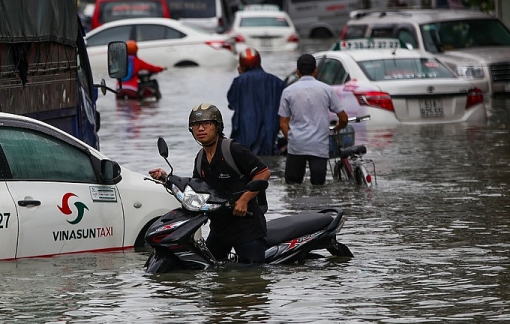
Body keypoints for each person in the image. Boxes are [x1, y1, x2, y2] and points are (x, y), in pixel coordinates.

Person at [148, 103, 270, 264]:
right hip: (220, 228)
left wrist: (244, 199)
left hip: (247, 227)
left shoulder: (233, 150)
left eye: (206, 123)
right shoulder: (200, 159)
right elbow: (196, 188)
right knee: (209, 270)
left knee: (252, 278)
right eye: (196, 125)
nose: (200, 129)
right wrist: (166, 178)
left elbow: (263, 172)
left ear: (217, 126)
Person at [278, 53, 348, 185]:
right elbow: (343, 118)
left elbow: (283, 124)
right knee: (318, 187)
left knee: (293, 186)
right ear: (315, 71)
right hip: (319, 146)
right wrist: (338, 127)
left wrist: (293, 140)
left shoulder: (288, 91)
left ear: (297, 71)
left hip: (296, 146)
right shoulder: (327, 90)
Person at [227, 48, 287, 156]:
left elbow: (232, 102)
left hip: (245, 132)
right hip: (270, 132)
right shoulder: (277, 82)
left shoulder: (239, 82)